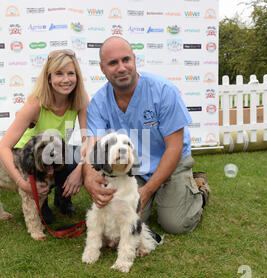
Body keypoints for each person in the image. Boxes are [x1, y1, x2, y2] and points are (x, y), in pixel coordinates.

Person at [83, 36, 211, 235]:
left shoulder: (163, 91)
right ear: (102, 68)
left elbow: (174, 148)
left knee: (175, 224)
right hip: (132, 168)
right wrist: (89, 178)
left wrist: (147, 191)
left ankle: (199, 189)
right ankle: (166, 195)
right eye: (113, 63)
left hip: (172, 161)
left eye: (126, 60)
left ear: (134, 59)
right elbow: (93, 147)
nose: (121, 67)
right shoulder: (98, 103)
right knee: (124, 224)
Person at [0, 49, 89, 224]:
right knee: (46, 219)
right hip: (32, 156)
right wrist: (22, 183)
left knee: (77, 159)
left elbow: (88, 140)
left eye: (71, 73)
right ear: (49, 77)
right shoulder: (35, 104)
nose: (66, 79)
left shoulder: (81, 99)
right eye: (59, 74)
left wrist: (79, 171)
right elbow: (3, 148)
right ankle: (41, 198)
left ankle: (62, 198)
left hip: (56, 152)